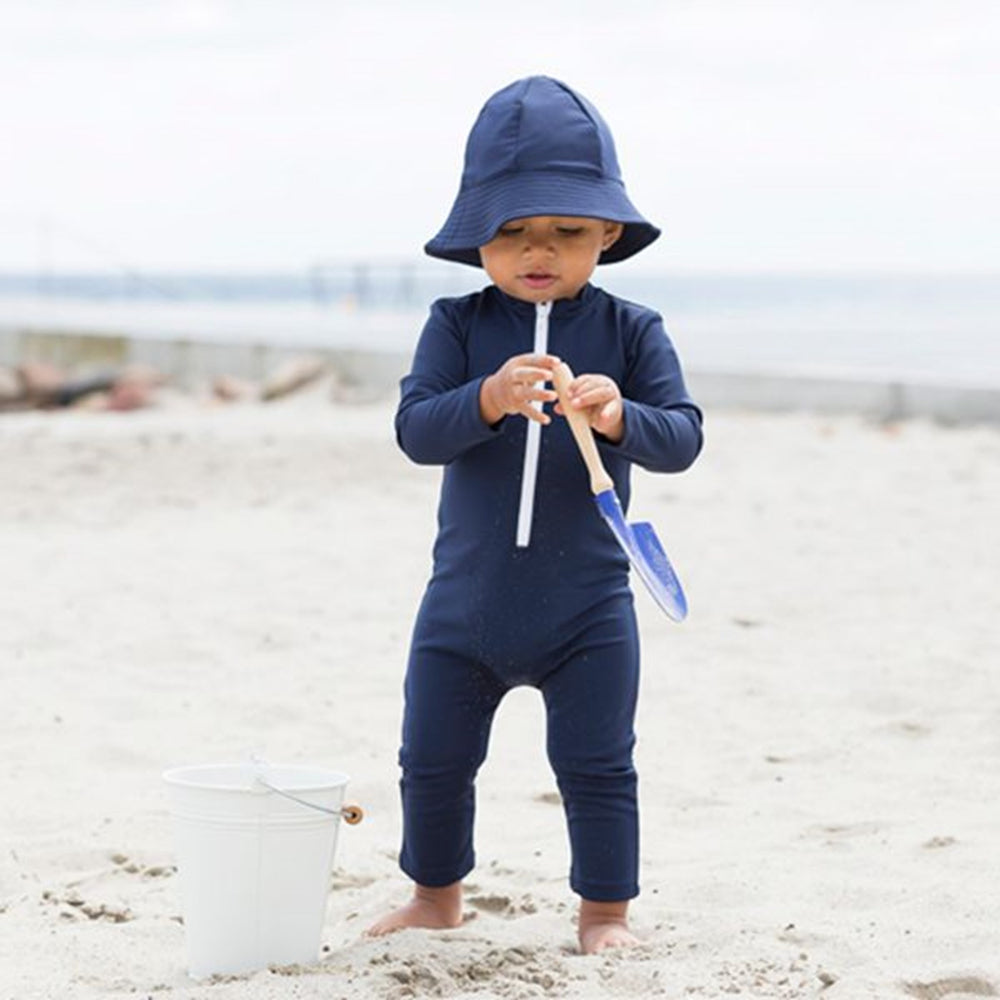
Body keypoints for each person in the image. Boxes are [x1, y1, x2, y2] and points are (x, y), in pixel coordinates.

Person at [367, 75, 703, 953]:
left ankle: (604, 915)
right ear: (478, 236)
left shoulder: (633, 331)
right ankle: (434, 896)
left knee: (598, 764)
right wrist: (487, 397)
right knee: (432, 758)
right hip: (465, 601)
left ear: (609, 234)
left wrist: (620, 415)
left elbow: (682, 438)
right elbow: (415, 431)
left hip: (588, 605)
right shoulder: (455, 325)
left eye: (568, 231)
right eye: (512, 231)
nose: (538, 250)